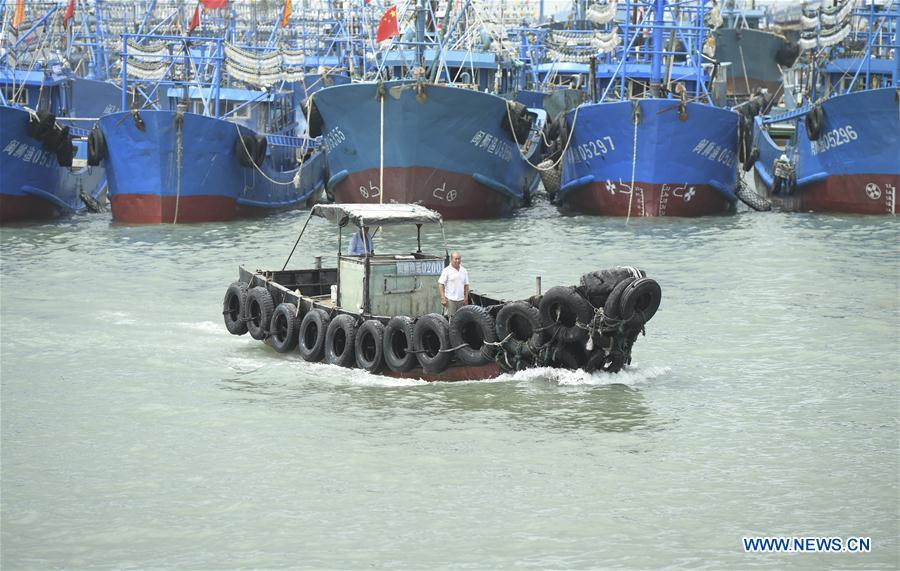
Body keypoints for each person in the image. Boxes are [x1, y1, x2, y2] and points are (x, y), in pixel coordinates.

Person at [438, 251, 469, 317]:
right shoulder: (446, 270)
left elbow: (466, 285)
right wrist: (443, 298)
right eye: (456, 259)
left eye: (459, 259)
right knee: (450, 319)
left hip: (461, 300)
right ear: (451, 259)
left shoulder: (464, 270)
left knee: (461, 319)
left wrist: (466, 298)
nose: (457, 261)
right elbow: (441, 284)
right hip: (450, 300)